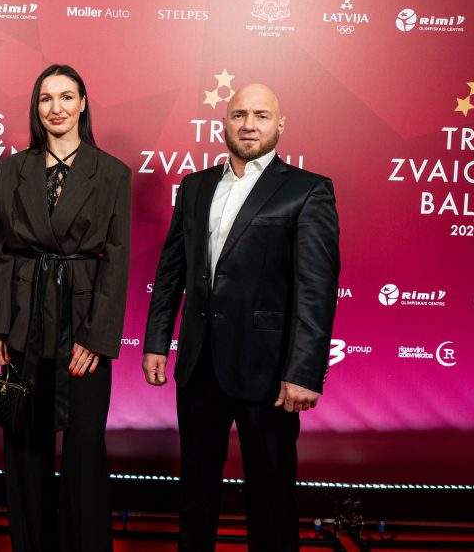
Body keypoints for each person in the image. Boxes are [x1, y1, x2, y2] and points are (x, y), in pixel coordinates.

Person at [142, 83, 340, 551]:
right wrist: (156, 342)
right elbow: (171, 273)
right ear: (224, 122)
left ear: (280, 124)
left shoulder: (307, 189)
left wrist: (304, 371)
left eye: (261, 116)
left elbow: (316, 289)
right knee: (195, 493)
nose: (249, 125)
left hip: (268, 373)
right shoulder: (195, 186)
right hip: (200, 365)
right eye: (239, 115)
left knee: (272, 497)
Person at [0, 64, 131, 552]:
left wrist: (97, 337)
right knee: (24, 445)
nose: (56, 108)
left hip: (82, 328)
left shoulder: (112, 172)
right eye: (46, 98)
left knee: (85, 448)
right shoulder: (11, 169)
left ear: (83, 104)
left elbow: (117, 261)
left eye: (67, 97)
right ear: (36, 107)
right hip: (23, 323)